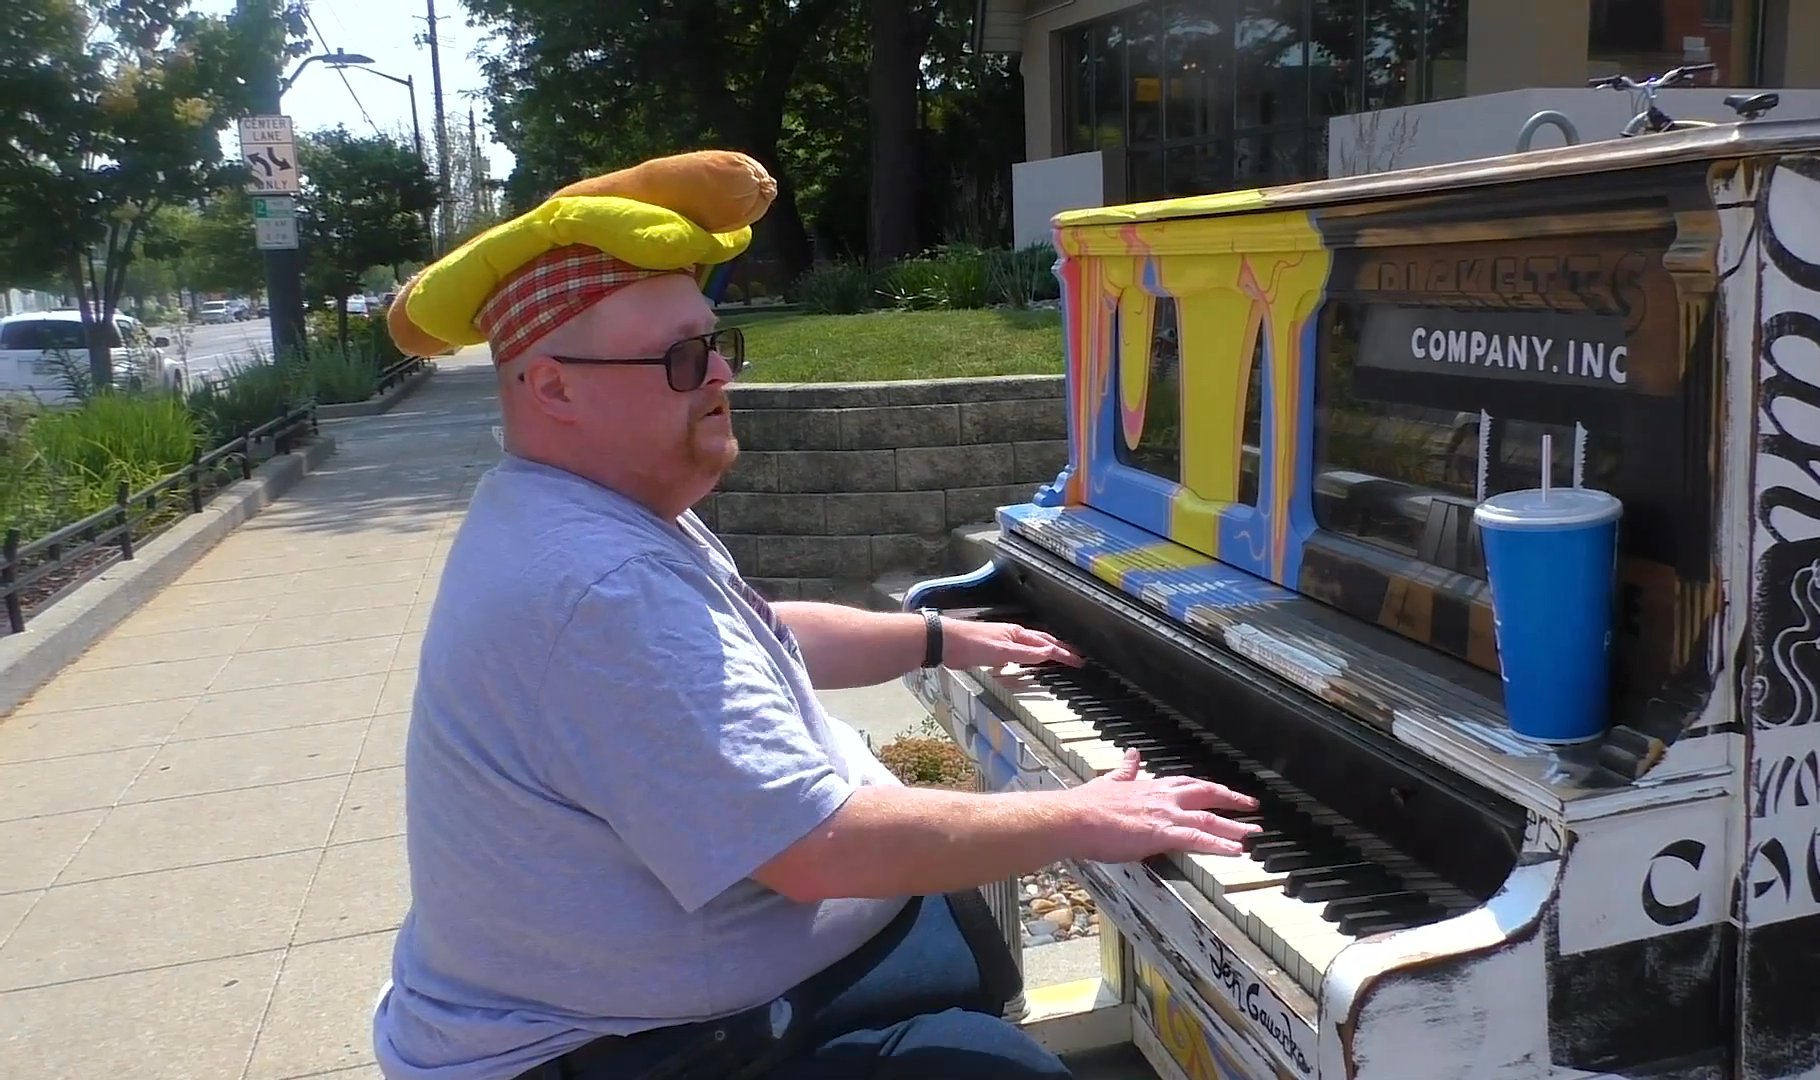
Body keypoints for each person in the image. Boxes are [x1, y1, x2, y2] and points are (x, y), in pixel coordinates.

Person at [369, 150, 1261, 1080]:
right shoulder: (598, 586)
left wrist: (937, 635)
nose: (719, 373)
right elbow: (816, 851)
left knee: (965, 937)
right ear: (552, 387)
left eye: (718, 343)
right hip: (626, 1052)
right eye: (681, 357)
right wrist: (1084, 816)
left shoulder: (578, 510)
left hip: (656, 1002)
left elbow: (757, 637)